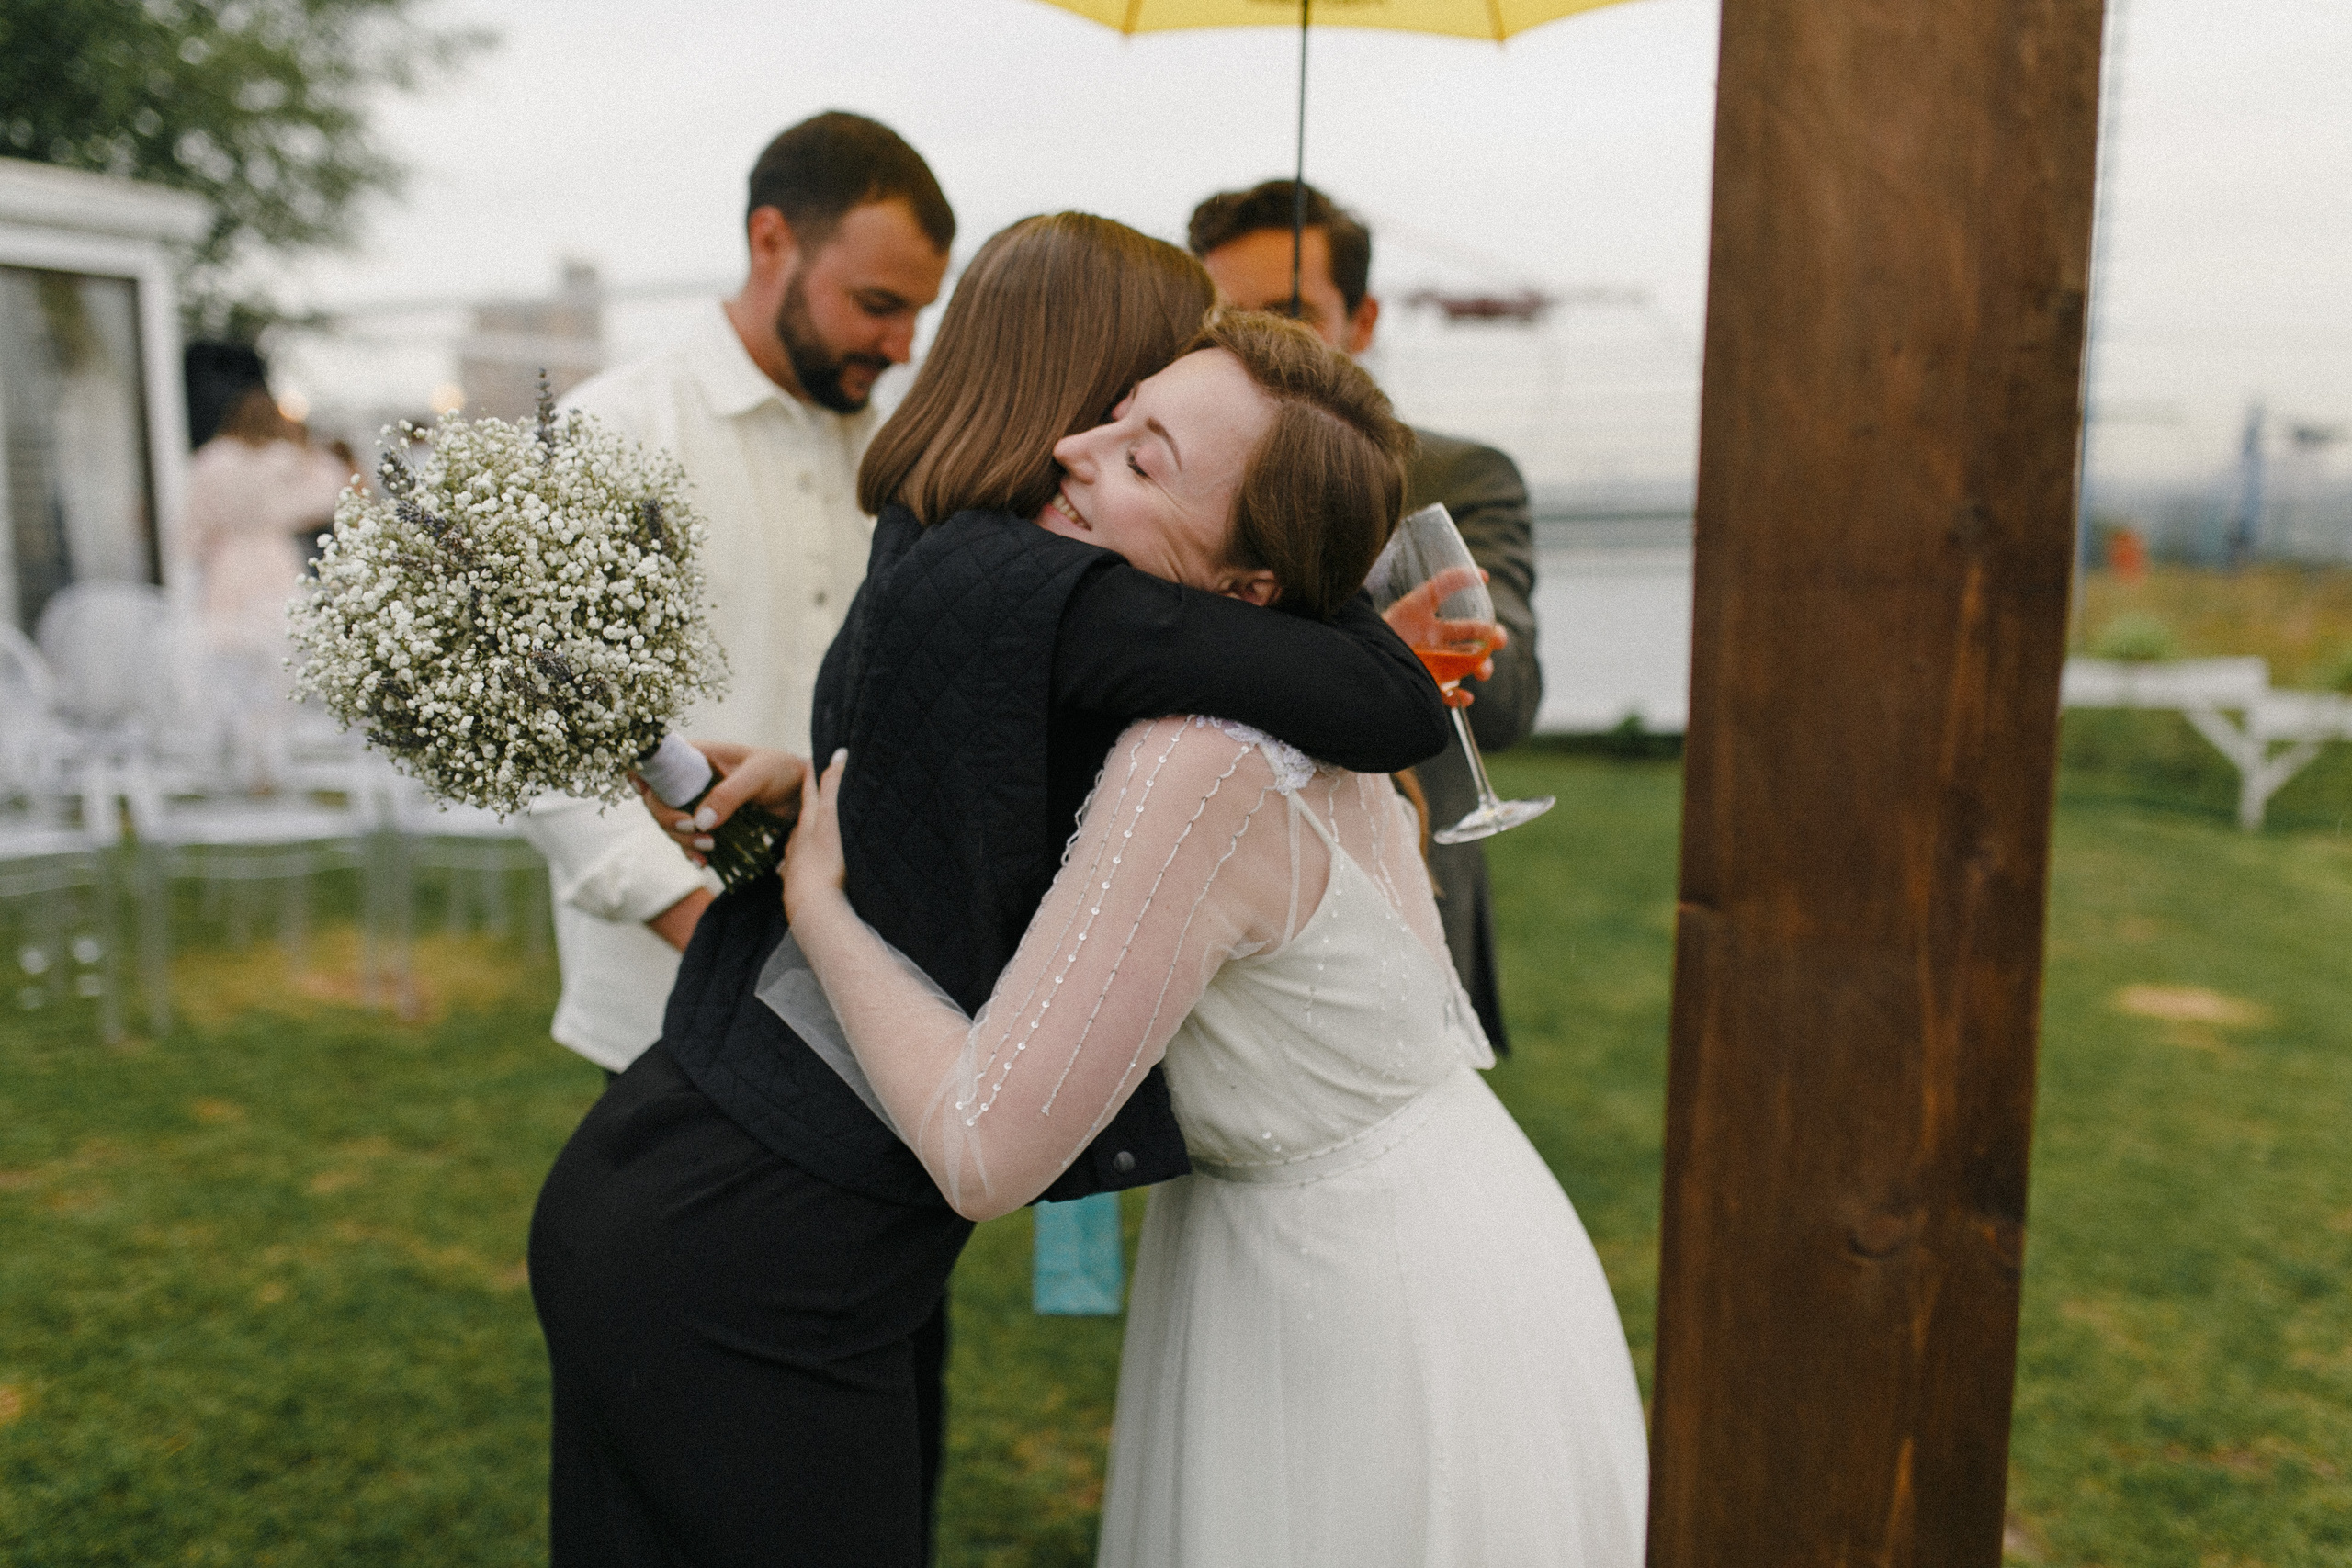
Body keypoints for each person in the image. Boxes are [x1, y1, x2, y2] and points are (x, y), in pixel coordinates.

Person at [527, 218, 1452, 1568]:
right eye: (1147, 395)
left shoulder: (943, 535)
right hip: (745, 1253)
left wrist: (815, 788)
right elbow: (1389, 698)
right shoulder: (1035, 584)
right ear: (1092, 381)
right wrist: (1289, 516)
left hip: (709, 1198)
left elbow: (945, 787)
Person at [768, 312, 1647, 1565]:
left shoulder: (1197, 762)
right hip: (1454, 1228)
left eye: (1142, 458)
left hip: (1361, 1312)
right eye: (1119, 414)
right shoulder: (1280, 686)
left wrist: (819, 908)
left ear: (1249, 590)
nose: (1073, 447)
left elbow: (979, 1149)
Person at [516, 111, 954, 1078]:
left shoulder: (898, 460)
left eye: (917, 313)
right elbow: (539, 726)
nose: (901, 343)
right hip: (663, 1010)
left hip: (869, 997)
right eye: (878, 302)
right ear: (770, 242)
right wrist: (718, 942)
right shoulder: (616, 430)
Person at [1189, 179, 1542, 1055]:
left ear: (1365, 318)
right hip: (1217, 946)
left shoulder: (1459, 478)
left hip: (1408, 913)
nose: (1262, 345)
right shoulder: (1174, 491)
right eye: (1228, 318)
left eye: (1292, 312)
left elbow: (1506, 702)